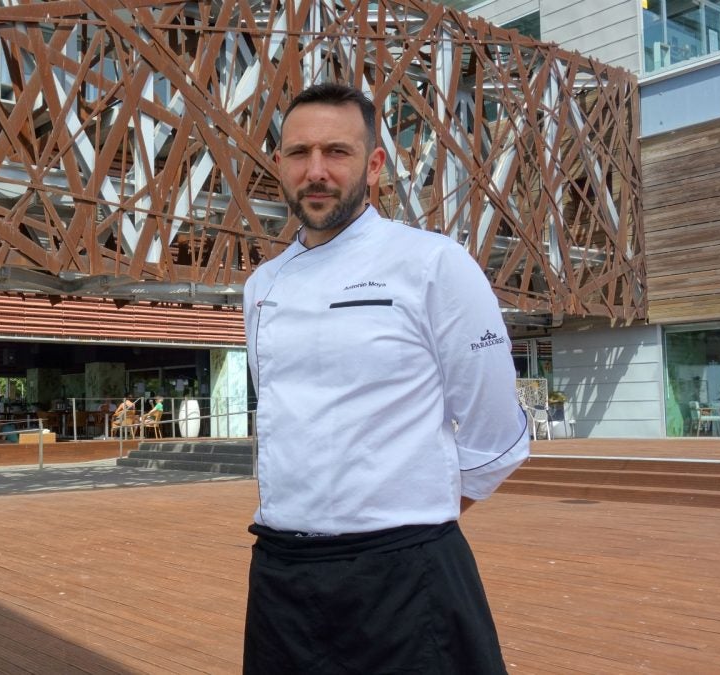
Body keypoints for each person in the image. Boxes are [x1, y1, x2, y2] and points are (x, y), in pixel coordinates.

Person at [241, 83, 530, 673]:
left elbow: (496, 435)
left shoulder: (433, 264)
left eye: (336, 152)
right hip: (282, 576)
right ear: (280, 166)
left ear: (373, 166)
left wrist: (406, 520)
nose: (315, 171)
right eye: (299, 154)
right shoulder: (262, 286)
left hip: (405, 577)